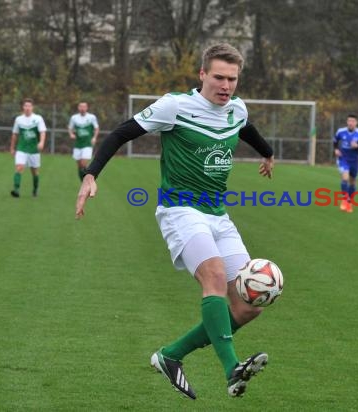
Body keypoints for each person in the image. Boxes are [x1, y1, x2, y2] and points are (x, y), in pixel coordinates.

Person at [75, 43, 275, 399]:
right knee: (213, 275)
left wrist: (268, 153)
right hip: (179, 210)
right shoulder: (176, 106)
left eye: (232, 79)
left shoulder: (236, 109)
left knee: (248, 304)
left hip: (218, 214)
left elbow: (245, 128)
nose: (225, 85)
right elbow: (122, 132)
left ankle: (170, 356)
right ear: (202, 75)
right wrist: (91, 174)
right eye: (218, 77)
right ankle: (232, 370)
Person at [9, 98, 47, 197]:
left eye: (29, 106)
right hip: (21, 148)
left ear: (32, 107)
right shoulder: (18, 119)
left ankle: (35, 189)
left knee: (34, 171)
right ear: (23, 107)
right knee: (19, 168)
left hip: (34, 150)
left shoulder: (38, 118)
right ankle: (16, 190)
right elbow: (15, 134)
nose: (27, 108)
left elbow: (42, 132)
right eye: (25, 106)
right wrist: (12, 148)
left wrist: (42, 142)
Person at [333, 114, 358, 213]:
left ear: (356, 123)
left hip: (354, 160)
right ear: (347, 122)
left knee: (353, 181)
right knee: (345, 178)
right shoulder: (340, 131)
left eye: (353, 121)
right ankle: (344, 200)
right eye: (349, 121)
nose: (350, 123)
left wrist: (357, 146)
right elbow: (335, 140)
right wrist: (336, 149)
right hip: (343, 159)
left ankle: (349, 203)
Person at [69, 102, 100, 181]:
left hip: (87, 144)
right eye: (81, 106)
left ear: (87, 108)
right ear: (78, 108)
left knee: (83, 163)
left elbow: (96, 128)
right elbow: (70, 128)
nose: (82, 108)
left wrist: (94, 138)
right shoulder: (74, 118)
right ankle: (82, 181)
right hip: (78, 144)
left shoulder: (91, 117)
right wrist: (71, 134)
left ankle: (87, 179)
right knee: (79, 166)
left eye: (84, 106)